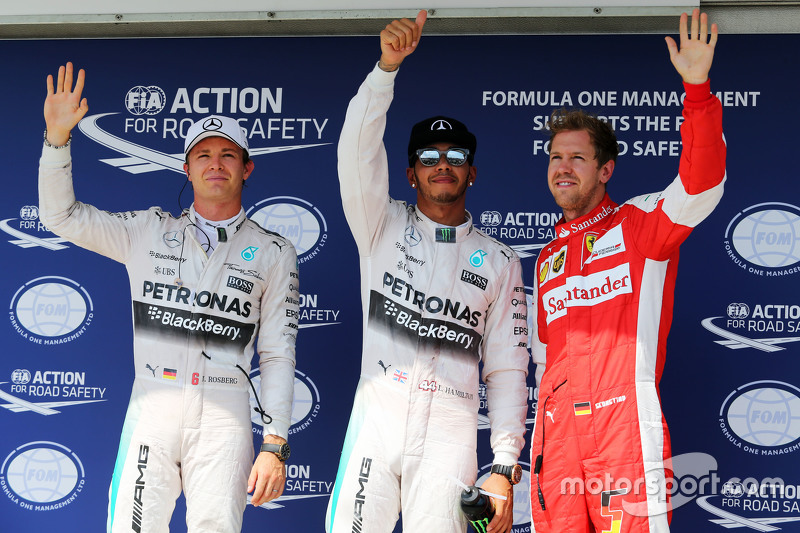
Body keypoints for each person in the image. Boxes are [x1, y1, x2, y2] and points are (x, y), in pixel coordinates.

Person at [39, 63, 299, 532]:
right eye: (203, 154)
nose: (215, 163)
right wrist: (57, 142)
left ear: (247, 166)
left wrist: (274, 443)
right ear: (186, 167)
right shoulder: (147, 231)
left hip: (226, 417)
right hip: (152, 410)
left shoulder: (276, 252)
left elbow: (278, 354)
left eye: (227, 154)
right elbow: (61, 218)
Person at [325, 10, 529, 533]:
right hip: (377, 418)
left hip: (451, 433)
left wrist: (504, 464)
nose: (444, 163)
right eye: (429, 155)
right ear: (412, 170)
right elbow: (356, 153)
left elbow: (507, 367)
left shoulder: (501, 260)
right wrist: (385, 70)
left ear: (473, 171)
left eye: (456, 155)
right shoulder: (380, 224)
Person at [529, 9, 725, 533]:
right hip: (558, 437)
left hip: (623, 429)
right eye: (555, 157)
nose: (562, 167)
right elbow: (544, 358)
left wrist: (698, 91)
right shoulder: (546, 258)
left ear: (605, 169)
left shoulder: (638, 224)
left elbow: (702, 186)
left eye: (577, 157)